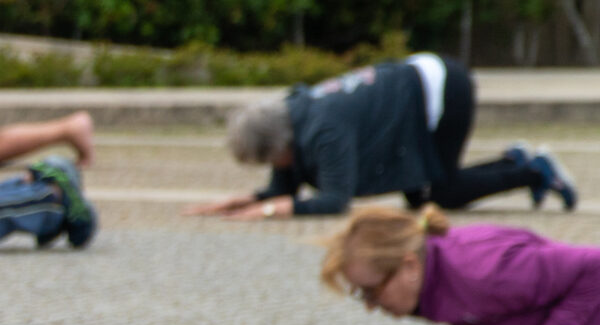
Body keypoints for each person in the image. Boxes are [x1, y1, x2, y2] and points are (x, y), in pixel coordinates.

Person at [186, 55, 576, 221]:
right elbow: (282, 188)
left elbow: (335, 201)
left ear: (278, 145)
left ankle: (535, 170)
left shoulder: (324, 129)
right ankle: (514, 162)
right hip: (416, 82)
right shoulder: (294, 118)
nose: (273, 167)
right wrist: (239, 202)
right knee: (419, 196)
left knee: (438, 195)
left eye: (268, 160)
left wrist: (271, 212)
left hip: (443, 88)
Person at [320, 206, 600, 325]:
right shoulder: (431, 273)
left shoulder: (485, 271)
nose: (370, 306)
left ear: (409, 266)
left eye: (372, 291)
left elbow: (593, 264)